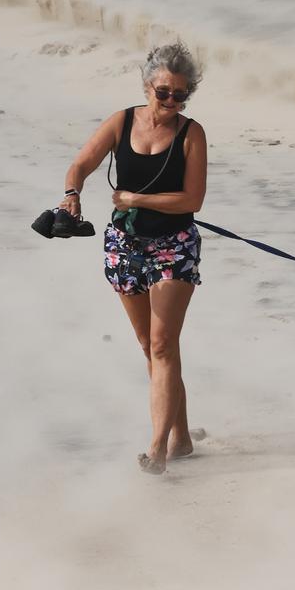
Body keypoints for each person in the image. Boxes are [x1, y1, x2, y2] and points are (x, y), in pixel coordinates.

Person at [60, 42, 207, 474]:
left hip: (173, 246)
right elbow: (80, 165)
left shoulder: (191, 133)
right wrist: (72, 196)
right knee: (150, 346)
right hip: (124, 246)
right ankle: (180, 438)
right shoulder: (121, 122)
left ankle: (157, 447)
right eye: (164, 92)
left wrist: (136, 197)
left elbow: (193, 199)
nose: (171, 102)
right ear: (147, 86)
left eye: (180, 95)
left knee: (163, 344)